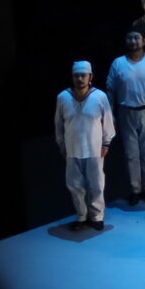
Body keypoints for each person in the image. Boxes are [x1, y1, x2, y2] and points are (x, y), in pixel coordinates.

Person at [54, 60, 114, 231]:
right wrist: (61, 144)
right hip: (72, 148)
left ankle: (97, 216)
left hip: (95, 148)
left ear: (90, 76)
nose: (79, 79)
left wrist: (106, 143)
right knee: (74, 185)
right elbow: (58, 123)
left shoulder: (100, 96)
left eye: (83, 75)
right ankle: (81, 215)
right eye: (76, 76)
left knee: (96, 184)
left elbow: (108, 122)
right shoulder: (63, 97)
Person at [105, 31, 145, 208]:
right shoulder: (118, 63)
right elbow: (111, 90)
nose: (133, 41)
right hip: (126, 112)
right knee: (131, 154)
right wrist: (110, 114)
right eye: (129, 38)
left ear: (143, 41)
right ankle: (135, 189)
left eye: (136, 38)